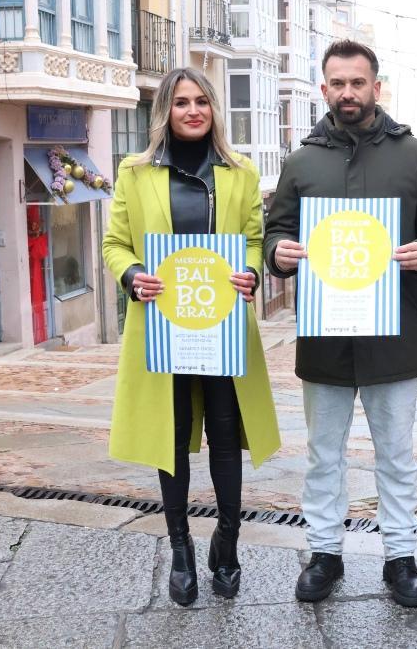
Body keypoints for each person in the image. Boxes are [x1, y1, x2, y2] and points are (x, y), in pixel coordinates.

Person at [264, 40, 417, 607]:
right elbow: (276, 232)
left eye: (357, 82)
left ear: (376, 86)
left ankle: (400, 556)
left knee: (395, 453)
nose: (347, 92)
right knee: (324, 454)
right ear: (324, 89)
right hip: (325, 337)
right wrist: (279, 253)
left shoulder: (415, 155)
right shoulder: (300, 162)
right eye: (338, 83)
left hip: (392, 334)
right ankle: (324, 552)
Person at [102, 68, 281, 606]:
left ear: (213, 109)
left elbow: (253, 240)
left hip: (222, 324)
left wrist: (250, 272)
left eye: (202, 101)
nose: (193, 110)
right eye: (181, 102)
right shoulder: (135, 172)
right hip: (163, 325)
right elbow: (115, 244)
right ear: (166, 110)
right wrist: (133, 276)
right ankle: (180, 549)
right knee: (172, 436)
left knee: (226, 436)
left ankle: (227, 542)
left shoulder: (240, 172)